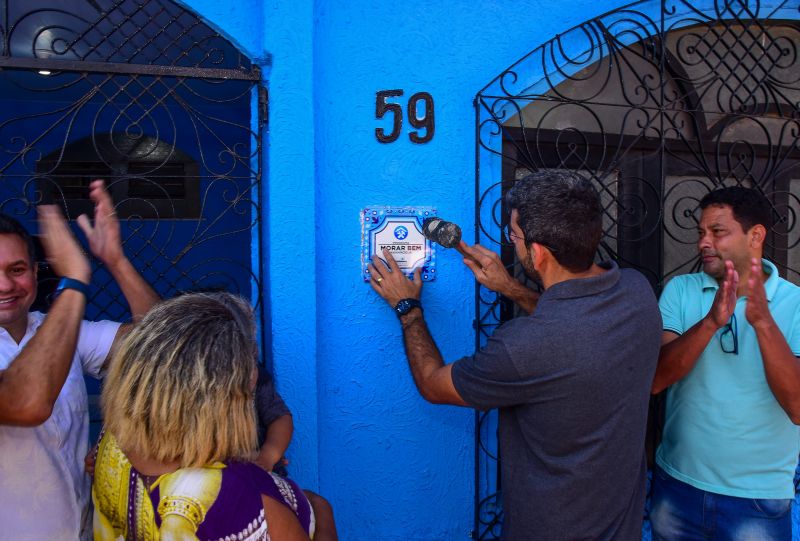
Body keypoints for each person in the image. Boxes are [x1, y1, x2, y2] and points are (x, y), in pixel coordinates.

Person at [369, 169, 662, 540]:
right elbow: (572, 327)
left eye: (514, 235)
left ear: (537, 253)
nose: (513, 242)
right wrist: (509, 287)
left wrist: (407, 307)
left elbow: (433, 384)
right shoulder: (637, 293)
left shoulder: (521, 347)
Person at [92, 292, 337, 540]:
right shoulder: (230, 492)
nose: (254, 373)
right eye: (247, 365)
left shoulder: (112, 440)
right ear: (223, 399)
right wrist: (322, 510)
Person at [0, 179, 160, 541]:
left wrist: (116, 261)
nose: (5, 286)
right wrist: (74, 281)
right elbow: (26, 402)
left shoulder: (60, 331)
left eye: (17, 269)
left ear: (36, 273)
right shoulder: (63, 328)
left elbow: (162, 349)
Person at [649, 186, 800, 540]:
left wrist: (763, 322)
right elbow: (656, 379)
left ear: (756, 236)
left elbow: (797, 406)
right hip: (677, 487)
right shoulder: (681, 291)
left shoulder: (795, 305)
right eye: (701, 233)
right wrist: (710, 323)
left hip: (757, 501)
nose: (704, 242)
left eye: (717, 232)